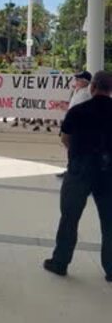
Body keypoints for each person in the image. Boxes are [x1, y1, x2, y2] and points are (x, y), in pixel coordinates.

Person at [44, 71, 112, 282]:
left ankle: (60, 262)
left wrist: (78, 153)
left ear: (92, 87)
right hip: (108, 170)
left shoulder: (78, 110)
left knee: (70, 217)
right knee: (109, 222)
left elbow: (65, 138)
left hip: (80, 168)